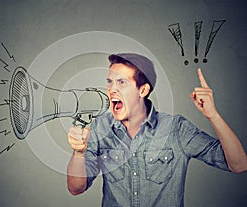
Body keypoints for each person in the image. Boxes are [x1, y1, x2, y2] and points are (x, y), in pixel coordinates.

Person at [66, 53, 247, 207]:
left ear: (143, 90)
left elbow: (239, 165)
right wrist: (79, 152)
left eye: (121, 82)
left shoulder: (176, 129)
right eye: (110, 82)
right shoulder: (100, 127)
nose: (112, 89)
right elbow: (76, 188)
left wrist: (213, 116)